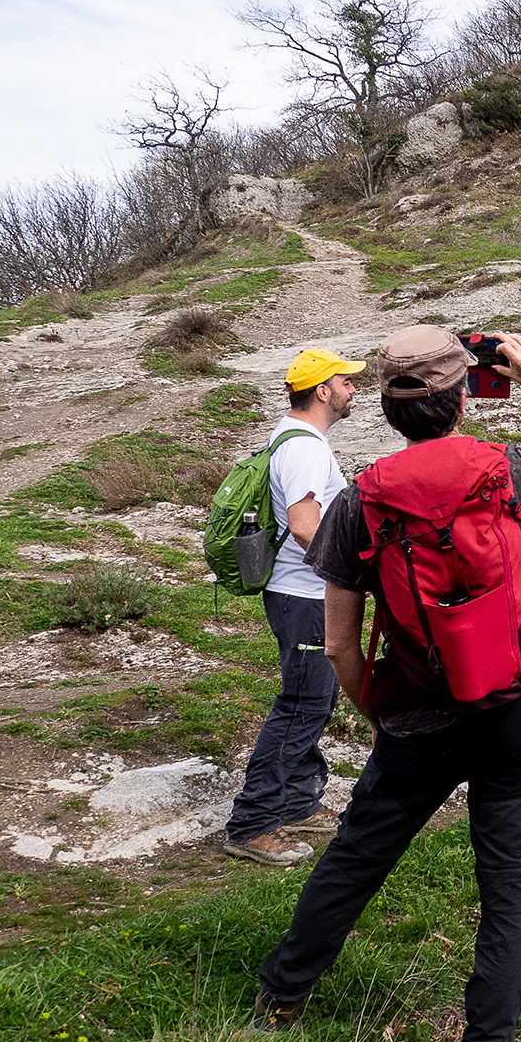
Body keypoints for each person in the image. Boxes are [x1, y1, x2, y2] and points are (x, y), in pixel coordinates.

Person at [249, 327, 521, 1042]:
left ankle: (280, 1000)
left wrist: (386, 716)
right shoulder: (512, 468)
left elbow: (341, 643)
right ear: (464, 397)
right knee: (509, 886)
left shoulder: (360, 501)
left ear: (385, 406)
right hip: (516, 707)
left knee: (357, 855)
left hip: (418, 713)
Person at [221, 347, 365, 867]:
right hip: (304, 595)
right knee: (302, 705)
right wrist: (352, 573)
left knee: (315, 699)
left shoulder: (291, 438)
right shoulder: (305, 447)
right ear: (322, 391)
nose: (353, 390)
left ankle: (299, 802)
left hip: (298, 593)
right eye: (345, 383)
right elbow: (306, 527)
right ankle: (252, 823)